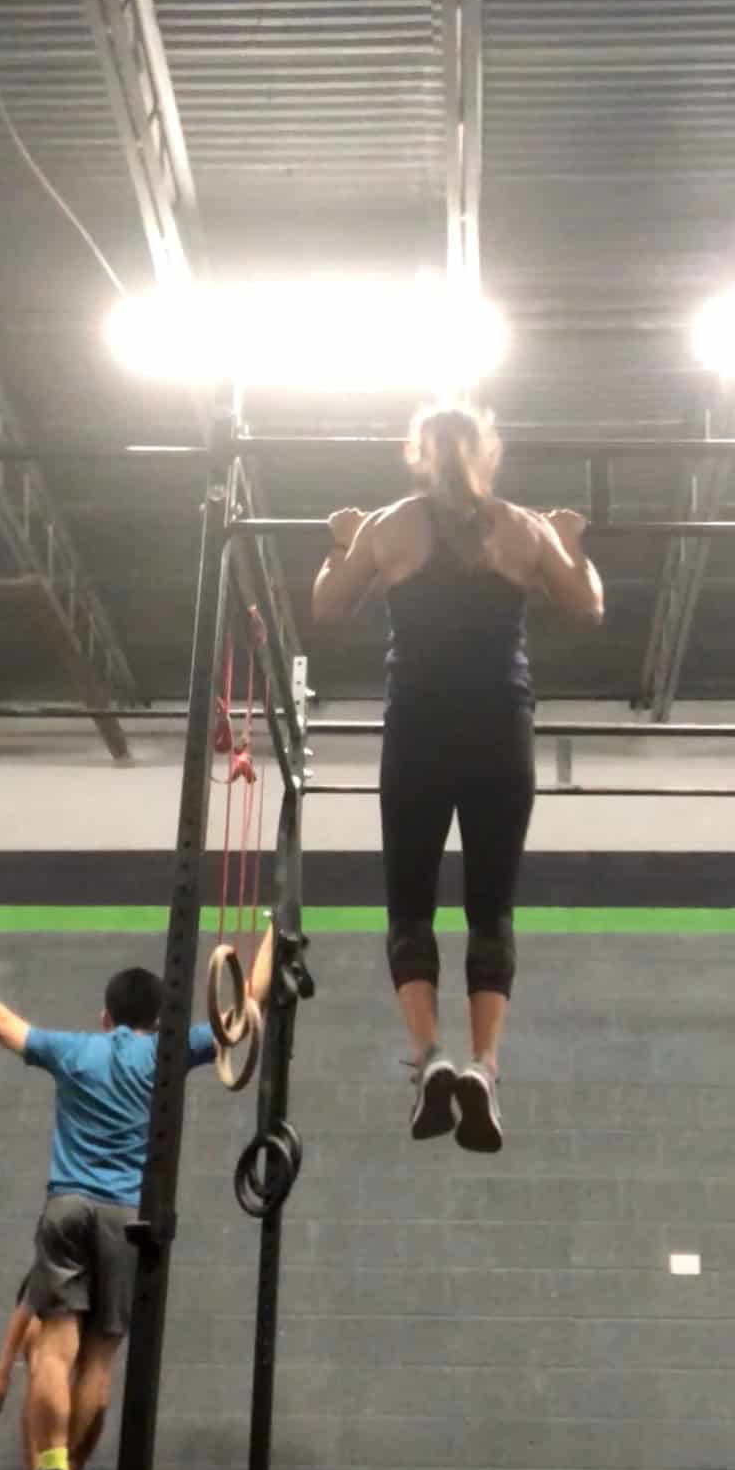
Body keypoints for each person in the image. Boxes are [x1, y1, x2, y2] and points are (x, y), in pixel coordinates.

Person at [311, 403, 603, 1154]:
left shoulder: (389, 524)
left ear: (417, 455)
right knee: (491, 910)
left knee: (409, 908)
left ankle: (430, 1055)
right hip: (500, 731)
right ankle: (484, 1068)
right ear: (489, 454)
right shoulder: (526, 527)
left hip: (419, 730)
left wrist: (340, 544)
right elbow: (588, 605)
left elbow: (327, 605)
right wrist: (572, 543)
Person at [0, 939, 271, 1470]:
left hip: (67, 1208)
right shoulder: (170, 1051)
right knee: (99, 1359)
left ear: (105, 1017)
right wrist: (277, 935)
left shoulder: (74, 1050)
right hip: (127, 1217)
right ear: (158, 1019)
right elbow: (249, 1003)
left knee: (55, 1349)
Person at [0, 1273, 100, 1470]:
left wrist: (2, 1369)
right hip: (107, 1254)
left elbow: (28, 1308)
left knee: (44, 1364)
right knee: (96, 1365)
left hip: (65, 1261)